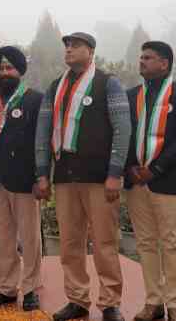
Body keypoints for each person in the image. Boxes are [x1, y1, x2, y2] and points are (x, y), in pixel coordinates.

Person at [34, 32, 131, 321]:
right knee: (70, 243)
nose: (68, 50)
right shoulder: (55, 87)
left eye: (75, 45)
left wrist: (115, 172)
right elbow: (43, 132)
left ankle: (110, 302)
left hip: (100, 178)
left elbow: (123, 129)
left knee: (104, 243)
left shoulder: (108, 83)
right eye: (66, 45)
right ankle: (77, 300)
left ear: (91, 51)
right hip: (65, 176)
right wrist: (42, 173)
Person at [124, 42, 176, 321]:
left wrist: (157, 168)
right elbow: (124, 135)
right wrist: (131, 167)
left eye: (148, 58)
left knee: (173, 243)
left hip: (167, 181)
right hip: (135, 180)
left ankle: (175, 304)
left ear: (164, 64)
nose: (141, 61)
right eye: (141, 57)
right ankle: (153, 303)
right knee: (145, 243)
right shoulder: (132, 95)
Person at [0, 47, 43, 313]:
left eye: (10, 68)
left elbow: (42, 142)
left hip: (25, 180)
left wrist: (41, 176)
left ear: (20, 71)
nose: (4, 73)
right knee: (3, 238)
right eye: (1, 69)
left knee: (29, 237)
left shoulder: (35, 99)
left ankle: (30, 288)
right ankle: (6, 288)